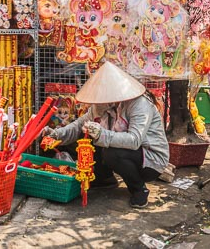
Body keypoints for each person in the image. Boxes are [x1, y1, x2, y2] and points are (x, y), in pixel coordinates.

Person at [42, 61, 169, 208]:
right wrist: (55, 134)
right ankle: (104, 179)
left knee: (111, 152)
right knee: (85, 139)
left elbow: (134, 140)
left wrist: (101, 134)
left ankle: (139, 189)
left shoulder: (139, 104)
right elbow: (78, 126)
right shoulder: (102, 104)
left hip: (150, 158)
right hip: (124, 150)